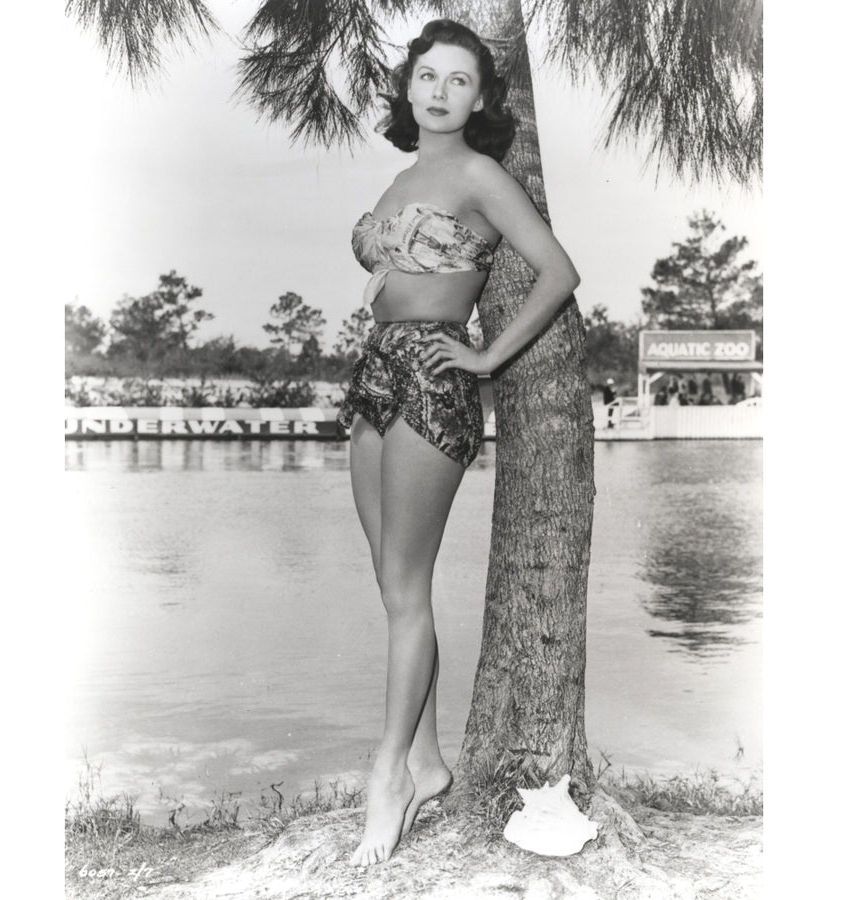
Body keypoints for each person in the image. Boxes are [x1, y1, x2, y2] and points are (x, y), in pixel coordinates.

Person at [336, 19, 580, 867]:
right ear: (408, 88)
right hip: (374, 375)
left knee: (406, 590)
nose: (439, 92)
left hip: (433, 382)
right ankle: (430, 760)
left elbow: (557, 271)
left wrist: (482, 355)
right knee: (391, 586)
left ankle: (389, 777)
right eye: (428, 76)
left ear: (480, 99)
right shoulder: (405, 173)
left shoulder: (479, 174)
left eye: (459, 81)